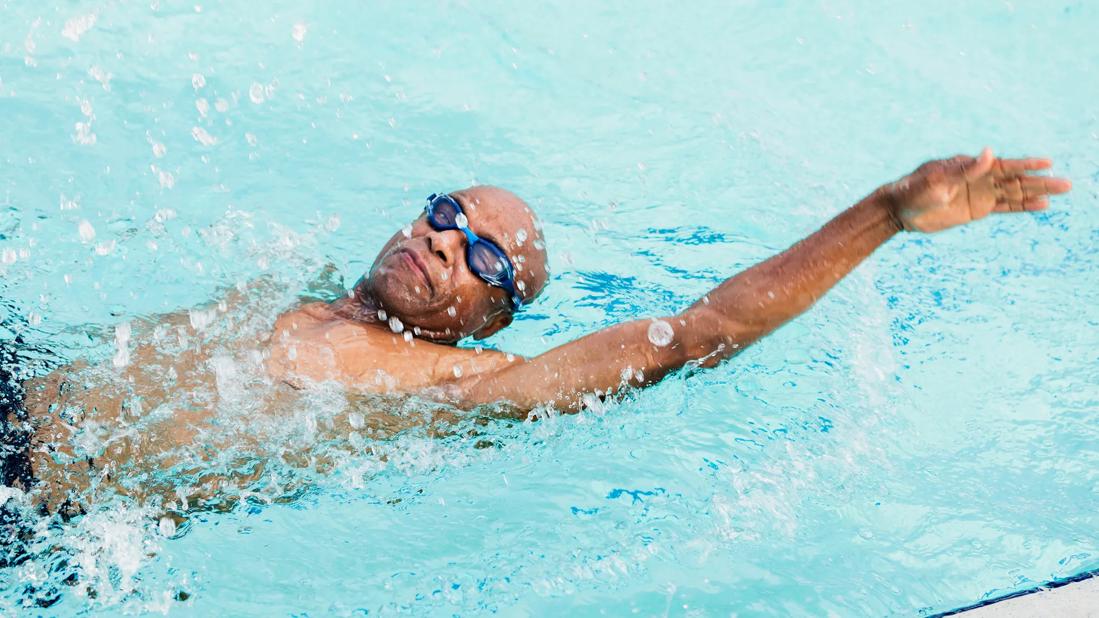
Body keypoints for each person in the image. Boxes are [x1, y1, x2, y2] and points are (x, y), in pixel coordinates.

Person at [1, 148, 1072, 522]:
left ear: (491, 321)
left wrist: (879, 215)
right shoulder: (283, 283)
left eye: (486, 258)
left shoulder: (456, 386)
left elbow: (694, 333)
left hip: (39, 502)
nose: (449, 239)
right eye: (448, 213)